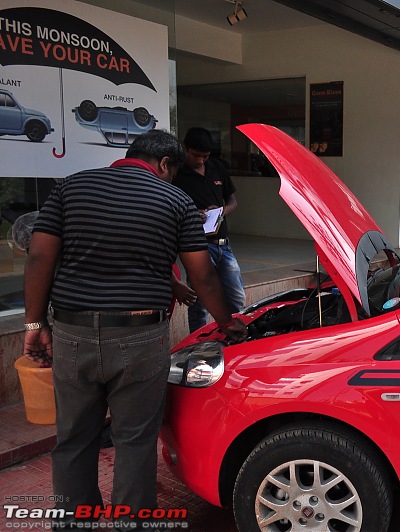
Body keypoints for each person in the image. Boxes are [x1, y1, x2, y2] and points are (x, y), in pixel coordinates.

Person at [22, 129, 247, 528]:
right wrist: (228, 323)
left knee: (73, 439)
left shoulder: (70, 188)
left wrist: (35, 324)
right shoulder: (176, 200)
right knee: (135, 441)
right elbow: (205, 277)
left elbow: (40, 258)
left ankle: (73, 524)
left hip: (71, 333)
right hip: (139, 336)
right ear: (164, 164)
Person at [173, 127, 247, 332]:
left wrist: (221, 212)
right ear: (185, 148)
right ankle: (199, 343)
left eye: (205, 157)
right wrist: (193, 214)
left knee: (237, 298)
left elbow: (232, 201)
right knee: (199, 305)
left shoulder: (217, 168)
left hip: (223, 244)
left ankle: (235, 337)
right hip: (197, 246)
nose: (200, 161)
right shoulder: (177, 173)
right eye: (196, 155)